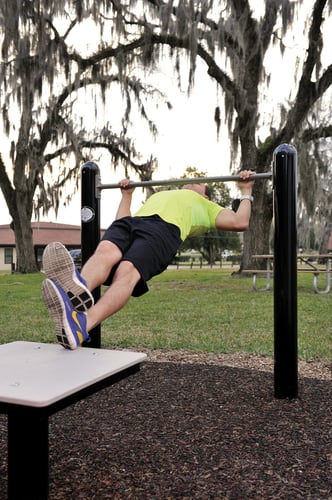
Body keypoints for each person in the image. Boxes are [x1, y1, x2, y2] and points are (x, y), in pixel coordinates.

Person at [42, 171, 255, 349]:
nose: (192, 181)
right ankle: (71, 295)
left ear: (206, 196)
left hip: (165, 230)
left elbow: (239, 221)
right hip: (133, 222)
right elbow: (123, 219)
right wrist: (127, 196)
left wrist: (246, 191)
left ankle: (82, 323)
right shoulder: (159, 196)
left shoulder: (208, 207)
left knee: (126, 271)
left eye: (199, 182)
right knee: (106, 250)